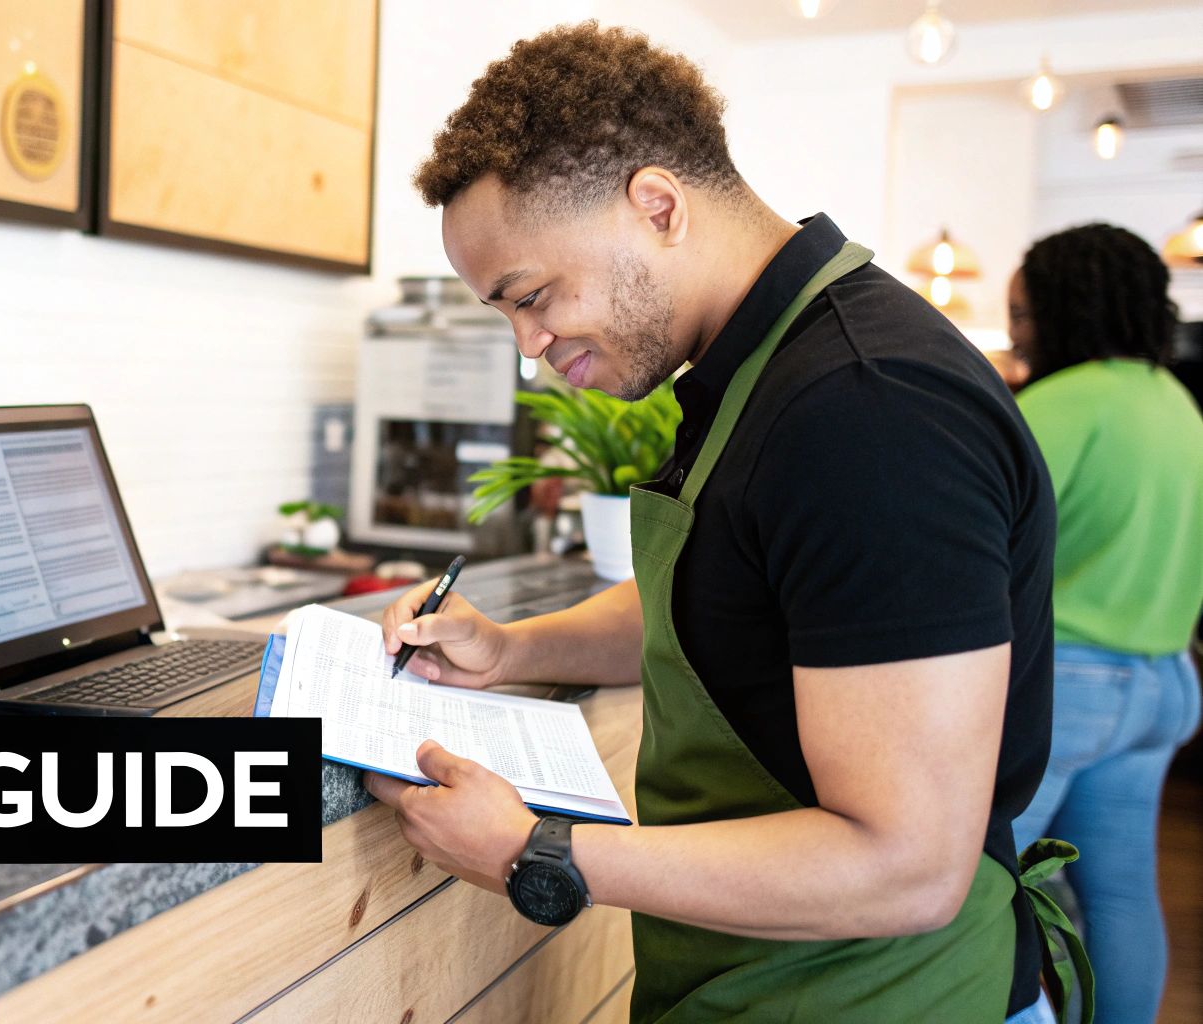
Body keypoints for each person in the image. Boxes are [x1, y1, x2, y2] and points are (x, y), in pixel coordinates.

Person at [363, 22, 1072, 1023]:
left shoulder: (865, 413)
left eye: (533, 297)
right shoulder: (761, 367)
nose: (528, 346)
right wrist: (510, 645)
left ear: (655, 207)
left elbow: (904, 867)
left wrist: (535, 849)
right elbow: (731, 594)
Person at [1005, 223, 1203, 1024]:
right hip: (1166, 683)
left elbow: (982, 528)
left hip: (1071, 687)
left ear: (1062, 305)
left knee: (968, 888)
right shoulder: (1177, 403)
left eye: (1021, 312)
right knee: (1120, 896)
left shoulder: (1060, 401)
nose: (1015, 331)